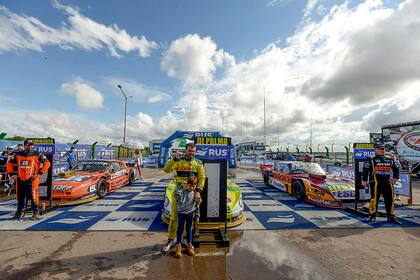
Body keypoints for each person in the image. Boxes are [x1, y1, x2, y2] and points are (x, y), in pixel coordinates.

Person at [162, 143, 205, 253]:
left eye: (194, 151)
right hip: (179, 194)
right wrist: (174, 159)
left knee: (188, 219)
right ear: (186, 150)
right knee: (174, 217)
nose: (192, 153)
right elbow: (166, 170)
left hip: (191, 195)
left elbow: (202, 178)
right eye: (190, 151)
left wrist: (198, 191)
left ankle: (185, 240)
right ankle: (170, 240)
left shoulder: (198, 163)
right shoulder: (178, 160)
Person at [7, 139, 51, 220]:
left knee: (33, 196)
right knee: (20, 197)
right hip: (20, 179)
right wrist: (12, 174)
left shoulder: (37, 153)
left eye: (32, 145)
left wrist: (39, 173)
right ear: (24, 145)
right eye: (28, 144)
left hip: (32, 179)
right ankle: (20, 212)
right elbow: (9, 164)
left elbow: (47, 164)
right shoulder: (18, 154)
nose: (30, 146)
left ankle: (36, 213)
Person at [362, 143, 400, 224]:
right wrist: (364, 180)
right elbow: (365, 170)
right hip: (375, 182)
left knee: (390, 199)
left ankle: (391, 217)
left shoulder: (390, 159)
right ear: (375, 150)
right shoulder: (370, 159)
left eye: (383, 149)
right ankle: (372, 216)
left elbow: (396, 169)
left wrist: (395, 178)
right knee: (374, 199)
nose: (382, 150)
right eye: (379, 149)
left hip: (387, 182)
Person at [174, 175, 201, 258]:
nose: (192, 188)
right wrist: (181, 186)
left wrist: (197, 214)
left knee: (189, 229)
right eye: (190, 185)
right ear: (187, 184)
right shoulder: (182, 192)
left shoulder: (195, 193)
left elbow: (197, 204)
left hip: (190, 213)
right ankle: (178, 246)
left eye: (194, 186)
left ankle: (189, 245)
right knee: (180, 229)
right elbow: (175, 194)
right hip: (181, 213)